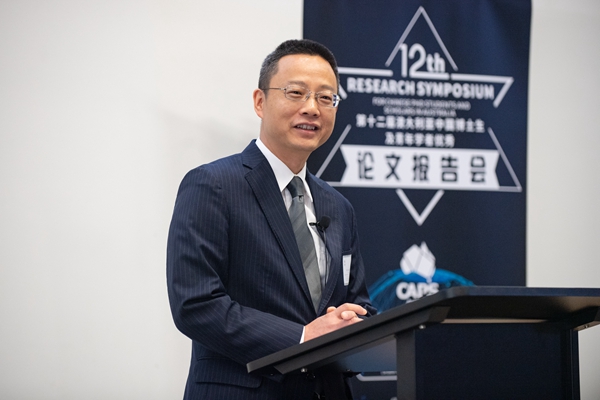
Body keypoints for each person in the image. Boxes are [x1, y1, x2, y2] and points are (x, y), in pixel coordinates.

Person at [167, 39, 376, 400]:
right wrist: (303, 338)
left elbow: (359, 302)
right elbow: (196, 305)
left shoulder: (339, 206)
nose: (312, 108)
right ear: (260, 102)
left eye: (326, 98)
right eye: (296, 92)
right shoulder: (213, 185)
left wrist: (353, 323)